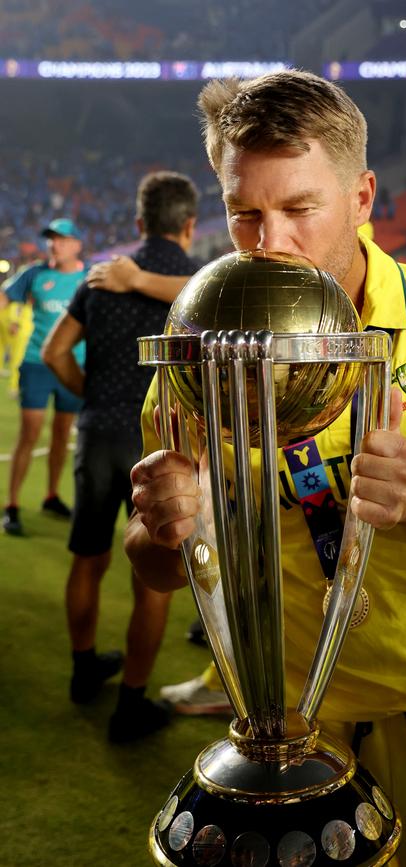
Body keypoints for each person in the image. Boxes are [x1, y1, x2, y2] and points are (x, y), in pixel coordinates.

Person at [123, 71, 406, 865]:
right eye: (245, 213)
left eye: (299, 208)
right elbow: (155, 568)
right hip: (279, 738)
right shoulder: (202, 350)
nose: (270, 243)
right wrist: (165, 524)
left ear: (362, 197)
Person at [41, 172, 201, 743]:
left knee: (87, 557)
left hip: (98, 432)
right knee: (151, 580)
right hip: (159, 440)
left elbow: (53, 350)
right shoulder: (199, 283)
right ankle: (130, 703)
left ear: (137, 224)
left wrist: (89, 392)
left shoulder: (103, 278)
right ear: (188, 225)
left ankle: (84, 669)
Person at [1, 218, 87, 536]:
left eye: (62, 239)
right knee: (30, 433)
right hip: (37, 365)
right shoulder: (34, 274)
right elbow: (4, 298)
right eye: (51, 239)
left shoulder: (89, 277)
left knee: (62, 435)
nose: (55, 244)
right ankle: (11, 504)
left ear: (77, 244)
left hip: (74, 367)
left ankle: (51, 495)